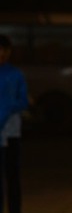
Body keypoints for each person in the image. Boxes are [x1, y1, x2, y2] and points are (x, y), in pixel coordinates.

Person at [0, 34, 28, 213]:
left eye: (4, 50)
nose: (1, 54)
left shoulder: (16, 74)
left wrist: (8, 108)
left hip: (11, 133)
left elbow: (23, 101)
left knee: (12, 176)